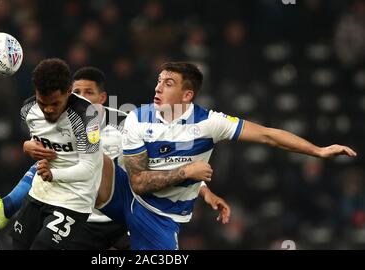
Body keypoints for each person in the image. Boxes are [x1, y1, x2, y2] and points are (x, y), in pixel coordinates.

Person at [96, 61, 357, 250]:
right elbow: (138, 183)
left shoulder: (210, 123)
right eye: (159, 81)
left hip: (160, 216)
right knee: (91, 159)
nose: (158, 87)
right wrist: (189, 174)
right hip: (127, 192)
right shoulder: (138, 118)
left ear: (187, 95)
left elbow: (268, 135)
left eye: (168, 83)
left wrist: (318, 151)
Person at [0, 65, 231, 249]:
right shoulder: (63, 121)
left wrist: (204, 191)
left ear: (103, 98)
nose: (80, 98)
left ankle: (6, 207)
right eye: (76, 92)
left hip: (121, 220)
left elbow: (162, 163)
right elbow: (47, 164)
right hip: (84, 219)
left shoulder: (127, 122)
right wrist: (28, 145)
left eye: (88, 93)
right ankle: (6, 207)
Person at [9, 58, 103, 249]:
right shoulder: (28, 110)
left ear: (69, 91)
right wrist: (27, 145)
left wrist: (54, 174)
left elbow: (90, 168)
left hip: (73, 200)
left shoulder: (88, 116)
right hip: (38, 193)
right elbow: (36, 140)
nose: (48, 109)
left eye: (55, 103)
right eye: (43, 103)